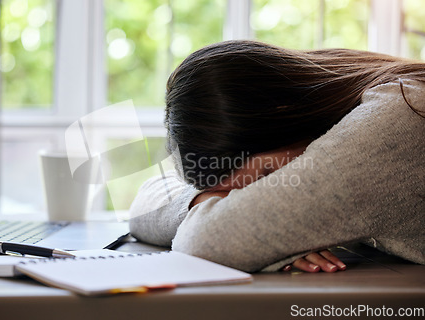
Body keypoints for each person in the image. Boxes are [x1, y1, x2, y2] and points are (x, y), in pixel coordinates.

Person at [129, 40, 425, 273]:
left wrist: (233, 220)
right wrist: (201, 200)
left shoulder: (395, 120)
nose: (262, 200)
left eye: (266, 178)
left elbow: (205, 240)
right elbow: (146, 200)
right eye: (238, 196)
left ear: (282, 114)